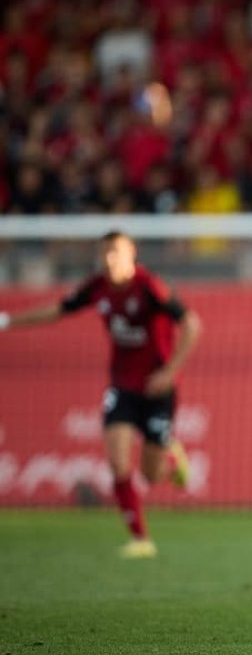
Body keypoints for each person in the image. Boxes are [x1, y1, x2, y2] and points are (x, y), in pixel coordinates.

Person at [0, 231, 202, 559]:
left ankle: (169, 458)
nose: (110, 260)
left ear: (132, 254)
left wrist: (169, 373)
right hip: (122, 387)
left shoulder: (150, 286)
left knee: (150, 475)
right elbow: (57, 310)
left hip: (157, 390)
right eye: (105, 253)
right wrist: (6, 320)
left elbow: (192, 324)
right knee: (118, 462)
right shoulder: (97, 287)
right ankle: (141, 539)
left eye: (117, 253)